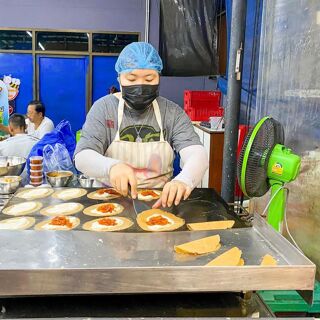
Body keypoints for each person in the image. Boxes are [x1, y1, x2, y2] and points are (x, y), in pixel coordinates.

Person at [75, 42, 208, 208]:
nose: (140, 86)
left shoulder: (171, 113)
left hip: (159, 202)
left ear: (159, 78)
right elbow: (82, 156)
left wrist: (184, 180)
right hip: (109, 199)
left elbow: (197, 154)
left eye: (149, 79)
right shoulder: (104, 109)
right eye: (131, 79)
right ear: (119, 79)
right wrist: (111, 167)